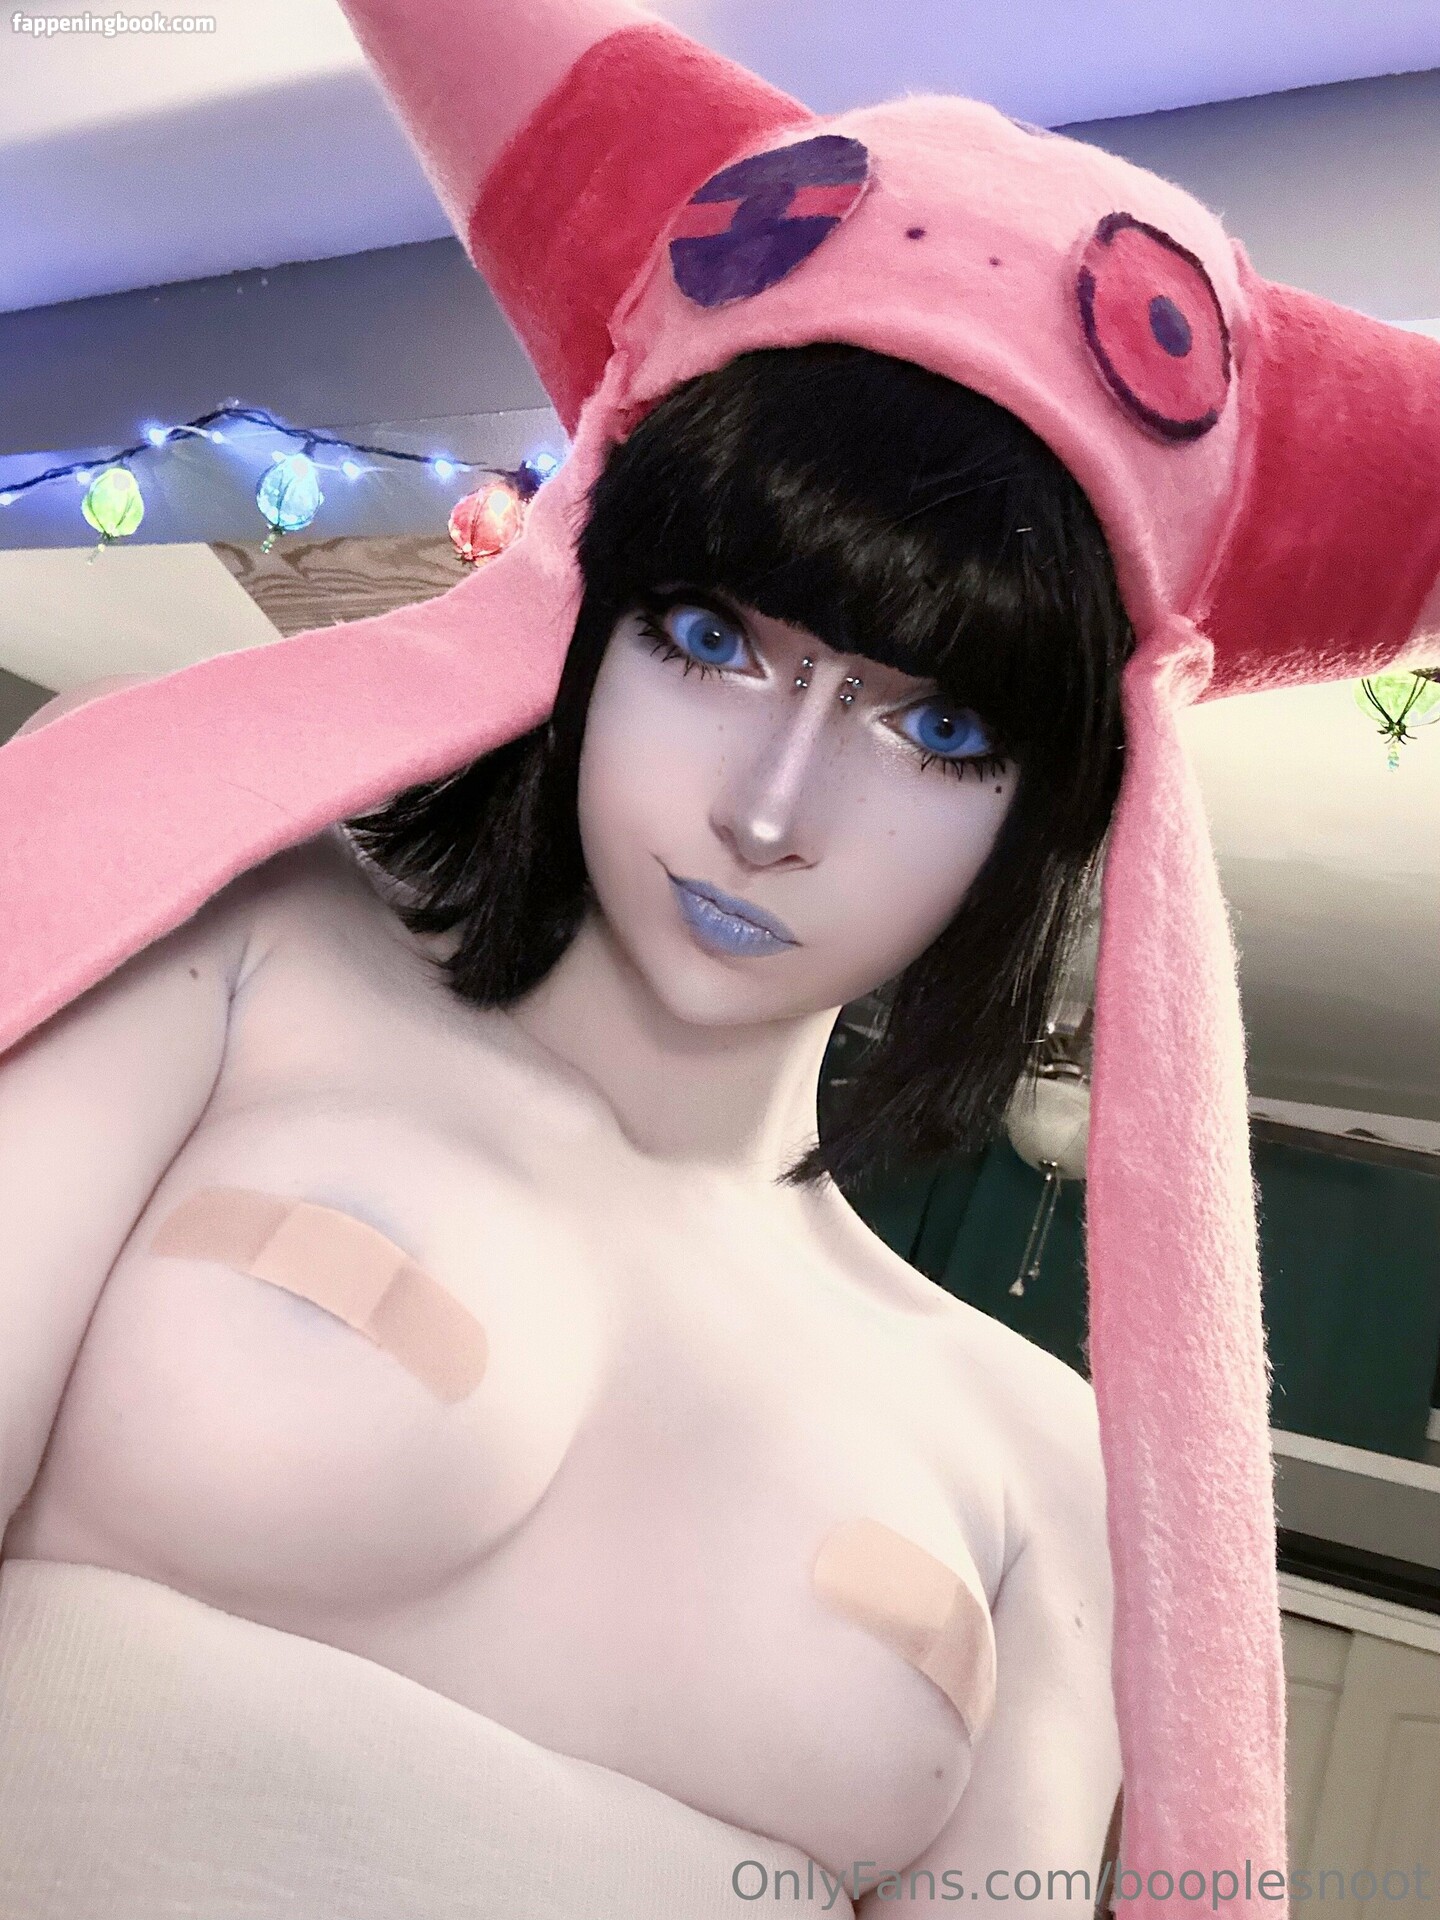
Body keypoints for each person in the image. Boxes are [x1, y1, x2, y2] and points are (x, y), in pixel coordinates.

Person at [2, 2, 1438, 1916]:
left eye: (939, 730)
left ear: (1060, 818)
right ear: (579, 604)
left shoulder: (1049, 1468)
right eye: (709, 638)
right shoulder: (239, 957)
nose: (772, 809)